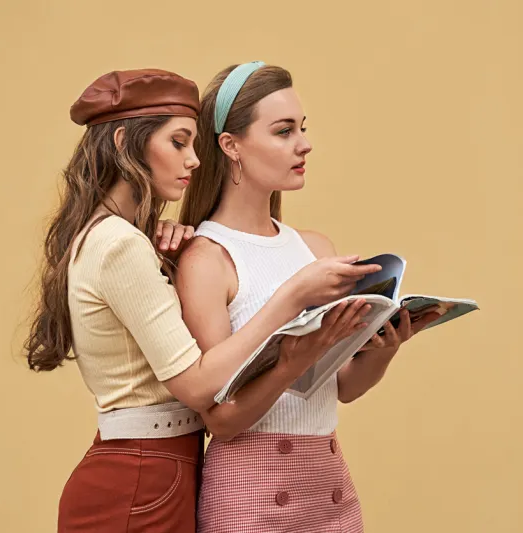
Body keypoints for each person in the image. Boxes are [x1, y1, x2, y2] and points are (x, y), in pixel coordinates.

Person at [24, 68, 381, 533]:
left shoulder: (126, 240)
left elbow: (340, 386)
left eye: (193, 143)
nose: (194, 160)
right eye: (178, 142)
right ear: (120, 142)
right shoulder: (123, 244)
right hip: (144, 475)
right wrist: (291, 300)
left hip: (162, 469)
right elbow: (198, 389)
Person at [177, 61, 440, 533]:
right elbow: (222, 421)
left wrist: (385, 348)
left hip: (328, 480)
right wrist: (293, 357)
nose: (304, 143)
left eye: (302, 128)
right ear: (230, 146)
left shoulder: (315, 249)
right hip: (249, 489)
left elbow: (342, 388)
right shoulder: (207, 259)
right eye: (283, 131)